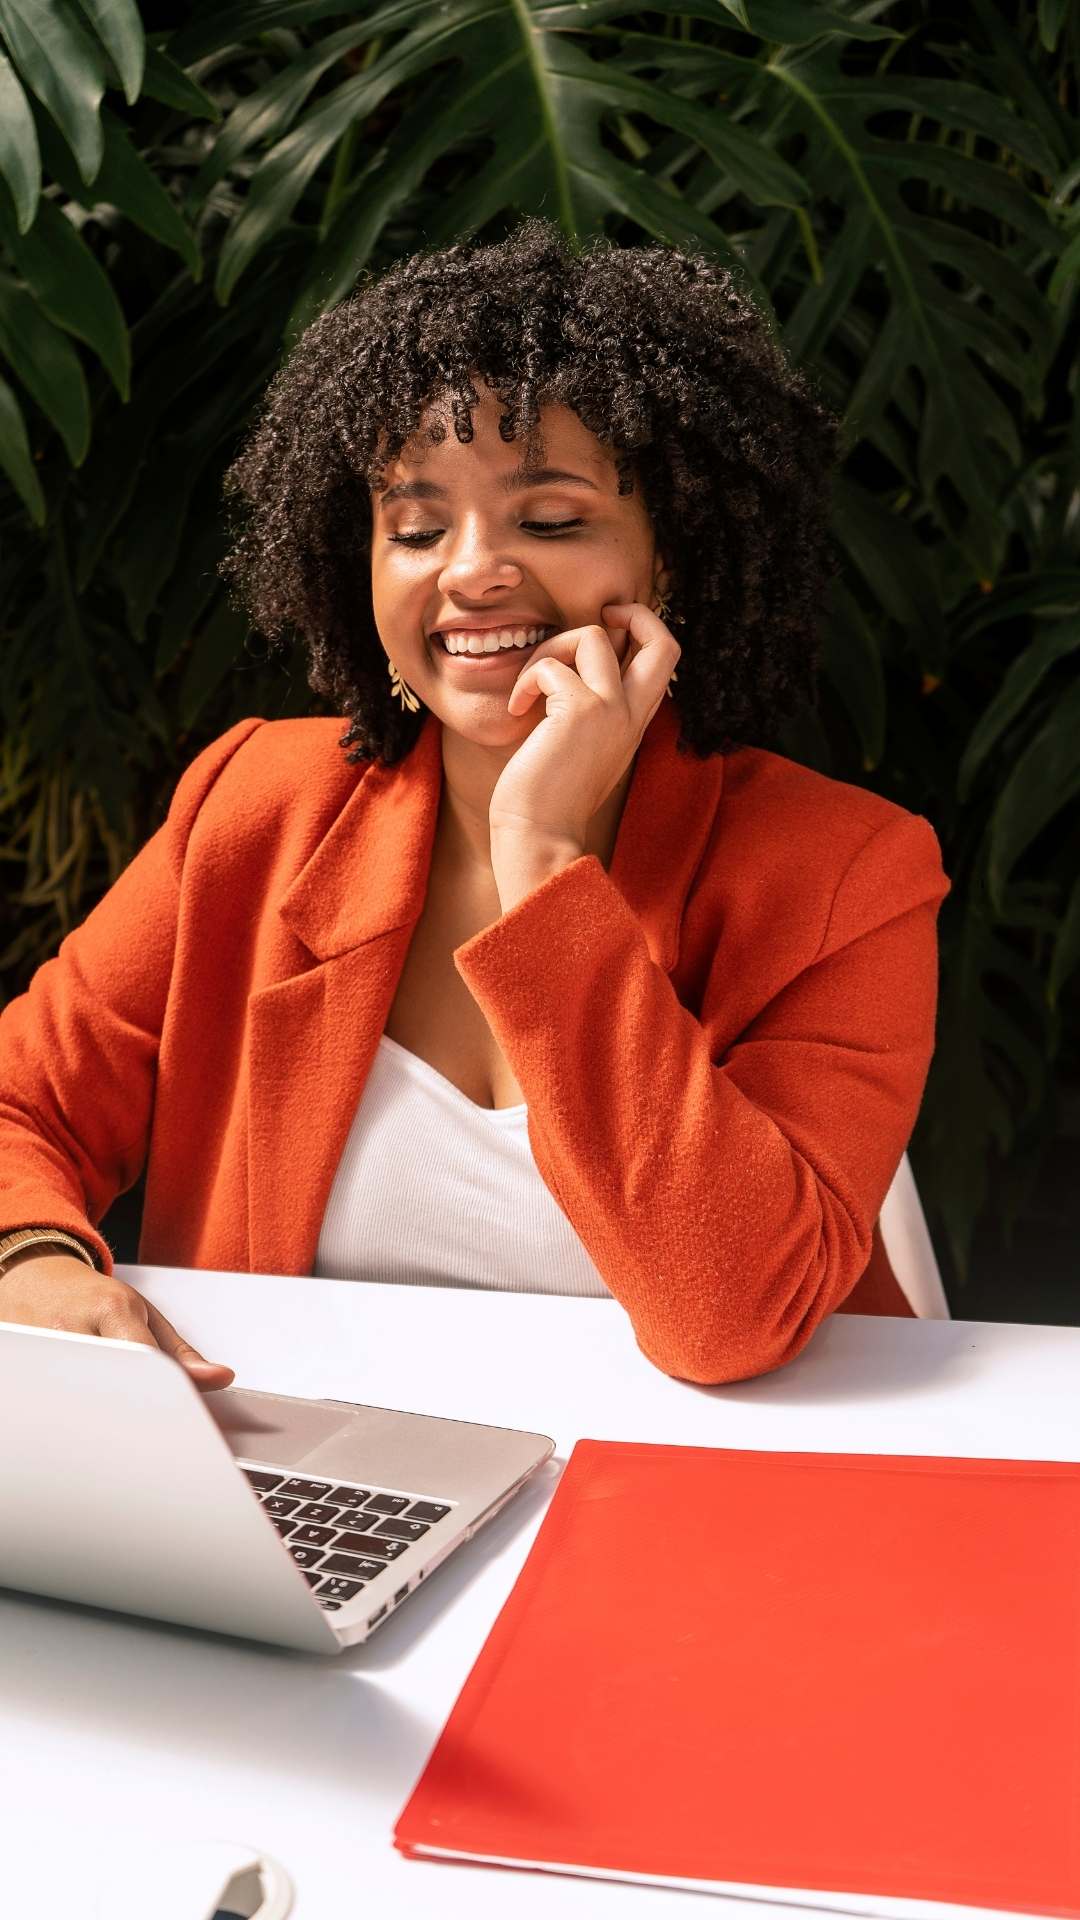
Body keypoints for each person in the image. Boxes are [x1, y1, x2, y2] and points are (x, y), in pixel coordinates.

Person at [0, 218, 949, 1389]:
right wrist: (29, 1256)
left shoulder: (846, 873)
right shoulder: (257, 806)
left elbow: (732, 1315)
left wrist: (543, 856)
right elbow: (18, 1105)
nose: (469, 569)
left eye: (549, 520)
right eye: (414, 525)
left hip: (704, 1496)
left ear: (670, 560)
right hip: (327, 1488)